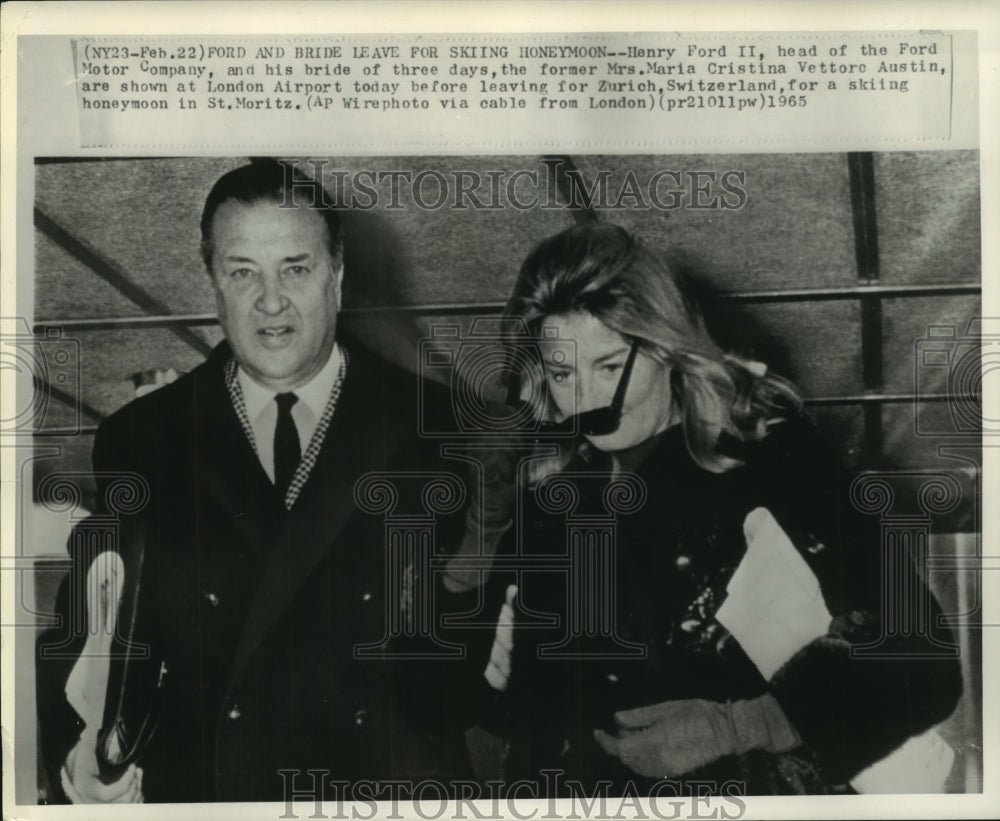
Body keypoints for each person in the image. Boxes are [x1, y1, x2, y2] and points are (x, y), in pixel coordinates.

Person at [443, 222, 963, 795]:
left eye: (611, 367)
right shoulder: (548, 498)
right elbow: (494, 705)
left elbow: (921, 663)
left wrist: (739, 725)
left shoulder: (773, 461)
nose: (587, 400)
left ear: (668, 348)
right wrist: (478, 555)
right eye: (564, 373)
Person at [36, 160, 469, 803]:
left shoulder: (437, 426)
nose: (271, 301)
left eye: (296, 268)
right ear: (213, 282)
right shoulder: (144, 438)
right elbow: (87, 626)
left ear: (339, 276)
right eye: (243, 272)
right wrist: (76, 754)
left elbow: (483, 625)